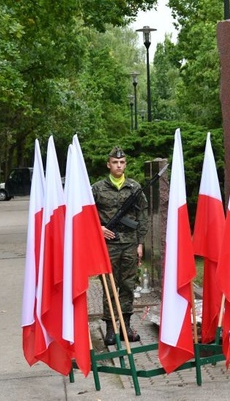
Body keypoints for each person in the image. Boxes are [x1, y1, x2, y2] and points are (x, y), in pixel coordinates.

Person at [92, 147, 149, 345]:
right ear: (108, 164)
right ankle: (110, 327)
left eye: (122, 162)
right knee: (109, 286)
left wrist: (140, 243)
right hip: (107, 245)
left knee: (127, 285)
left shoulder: (134, 188)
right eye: (115, 162)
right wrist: (98, 228)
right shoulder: (97, 189)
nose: (119, 165)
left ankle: (125, 325)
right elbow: (84, 213)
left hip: (130, 244)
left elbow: (142, 215)